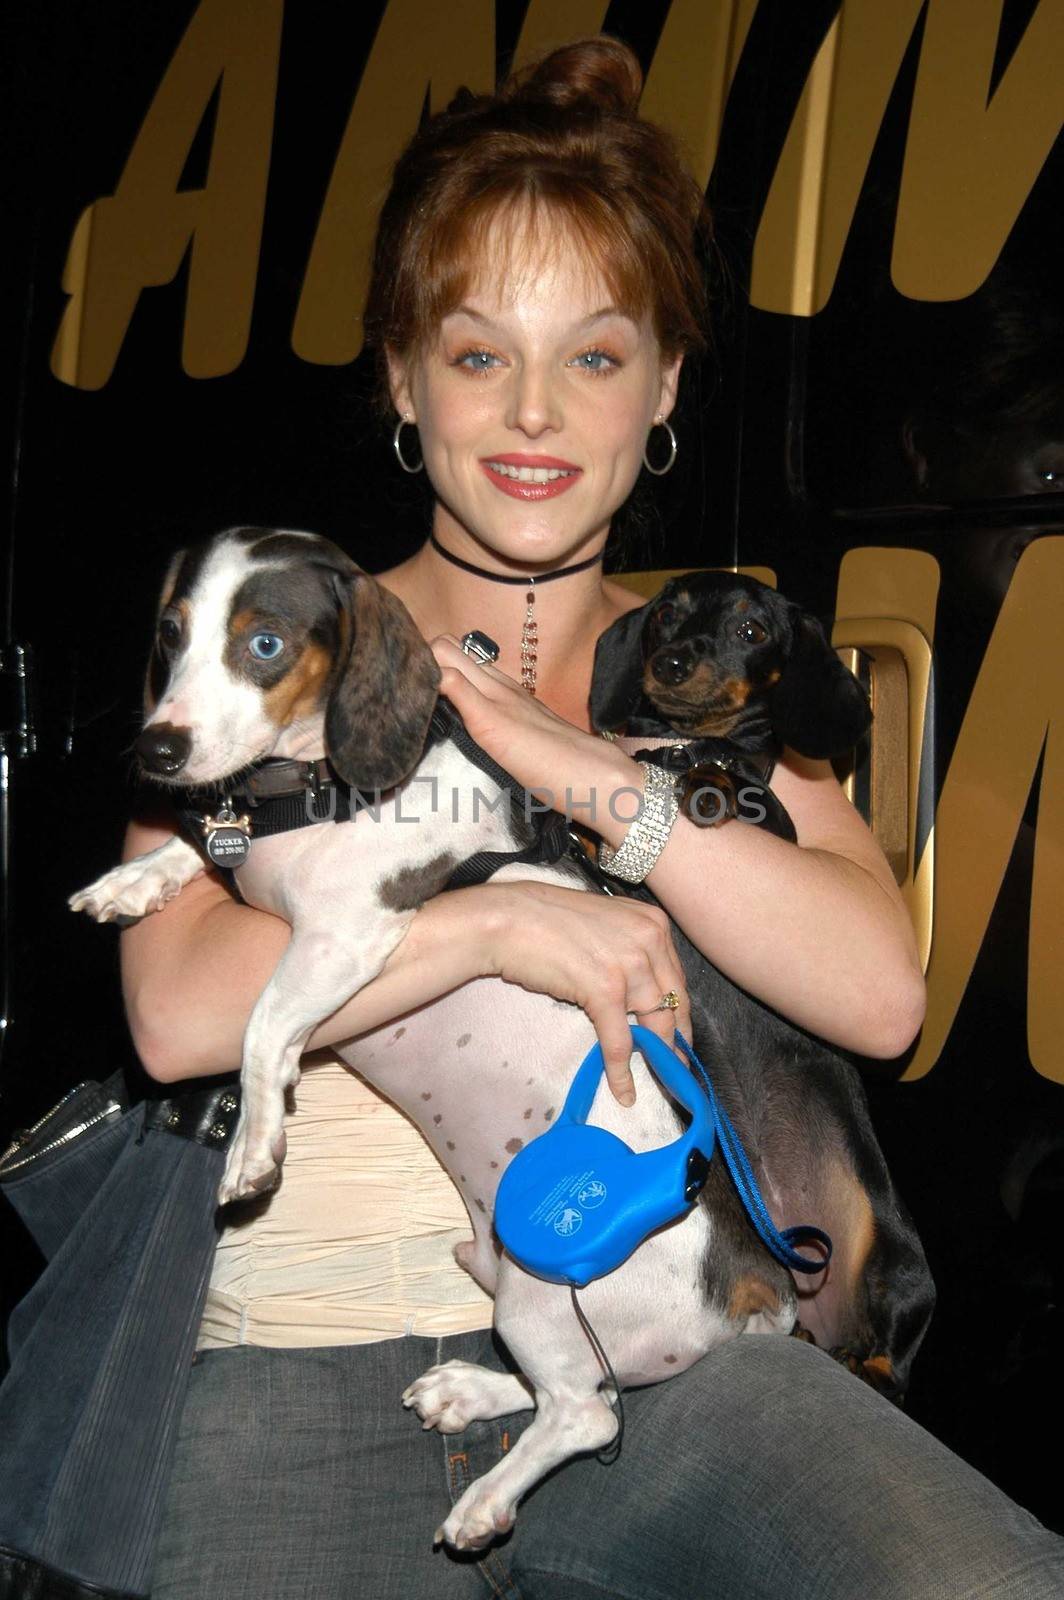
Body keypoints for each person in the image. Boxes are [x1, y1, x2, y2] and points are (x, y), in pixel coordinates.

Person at [122, 37, 1064, 1599]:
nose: (537, 412)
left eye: (598, 355)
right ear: (405, 383)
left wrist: (577, 771)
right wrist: (500, 921)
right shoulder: (274, 649)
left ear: (668, 389)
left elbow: (876, 992)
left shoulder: (708, 669)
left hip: (666, 1370)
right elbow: (172, 1009)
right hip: (311, 1357)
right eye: (480, 354)